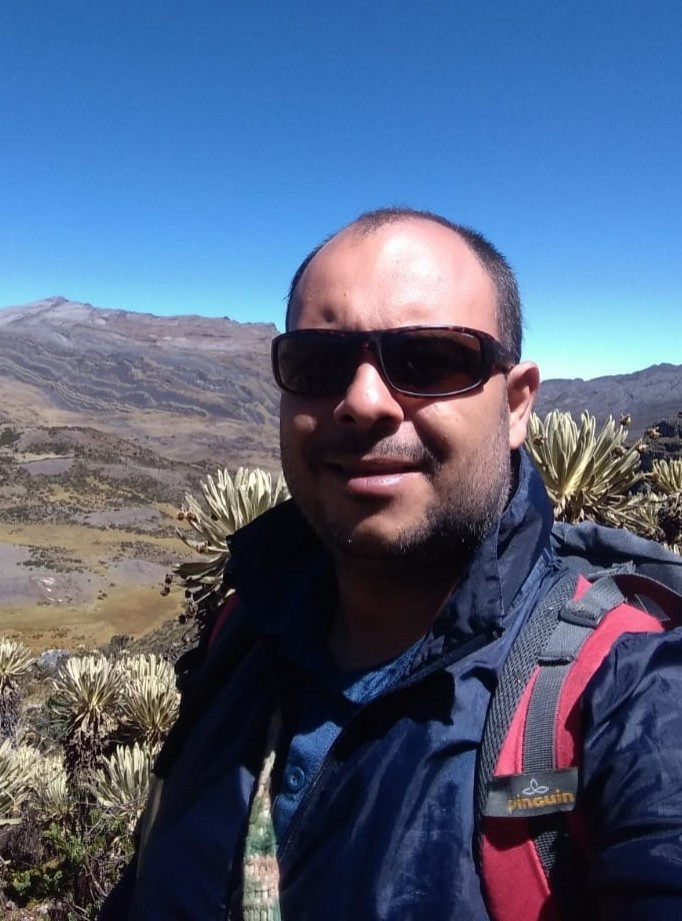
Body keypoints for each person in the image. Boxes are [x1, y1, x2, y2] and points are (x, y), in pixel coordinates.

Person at [100, 208, 682, 920]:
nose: (363, 401)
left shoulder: (627, 691)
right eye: (319, 364)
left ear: (517, 404)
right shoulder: (239, 632)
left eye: (430, 360)